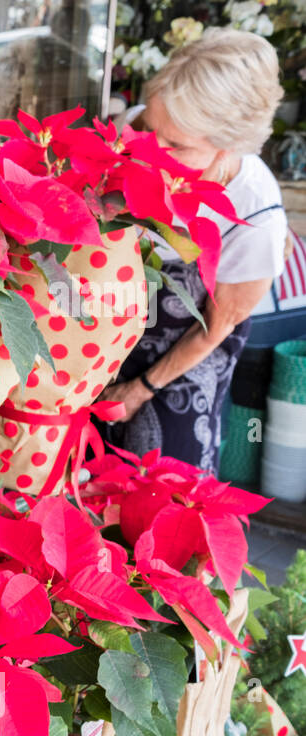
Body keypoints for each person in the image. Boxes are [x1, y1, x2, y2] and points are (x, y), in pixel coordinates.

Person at [101, 29, 288, 473]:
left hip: (185, 354)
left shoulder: (256, 215)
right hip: (111, 329)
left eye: (177, 146)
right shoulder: (151, 125)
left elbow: (219, 324)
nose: (150, 151)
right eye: (150, 129)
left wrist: (141, 388)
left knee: (165, 482)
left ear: (229, 147)